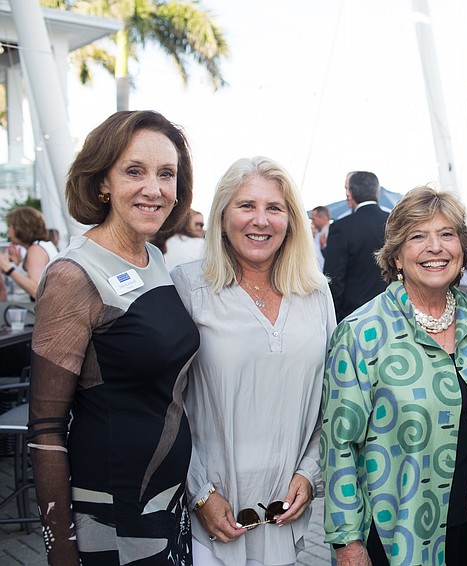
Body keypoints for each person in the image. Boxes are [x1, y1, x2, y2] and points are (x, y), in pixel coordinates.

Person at [27, 110, 199, 564]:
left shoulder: (154, 258)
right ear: (103, 182)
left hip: (165, 501)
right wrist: (61, 552)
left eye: (167, 174)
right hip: (112, 510)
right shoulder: (73, 274)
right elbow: (45, 429)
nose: (154, 188)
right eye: (134, 171)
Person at [322, 187, 467, 566]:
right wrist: (347, 542)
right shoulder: (362, 332)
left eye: (447, 234)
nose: (434, 247)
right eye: (418, 236)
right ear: (397, 256)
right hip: (396, 531)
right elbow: (339, 445)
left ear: (463, 249)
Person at [171, 156, 334, 566]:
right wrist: (200, 493)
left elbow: (333, 398)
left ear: (291, 220)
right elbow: (165, 405)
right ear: (222, 215)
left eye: (274, 208)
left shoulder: (316, 294)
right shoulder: (189, 287)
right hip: (210, 510)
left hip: (286, 509)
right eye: (246, 206)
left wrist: (310, 475)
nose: (260, 220)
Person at [323, 171, 389, 321]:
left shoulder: (341, 227)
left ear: (350, 193)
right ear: (377, 192)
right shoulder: (393, 223)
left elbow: (334, 277)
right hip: (391, 310)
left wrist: (336, 317)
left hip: (354, 315)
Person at [0, 206, 59, 300]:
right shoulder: (43, 245)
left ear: (20, 227)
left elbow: (36, 290)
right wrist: (19, 264)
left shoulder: (35, 250)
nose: (8, 231)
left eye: (10, 226)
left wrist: (7, 267)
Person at [310, 205, 330, 269]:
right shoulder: (317, 234)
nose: (312, 222)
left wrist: (324, 247)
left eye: (313, 219)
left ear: (323, 218)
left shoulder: (333, 233)